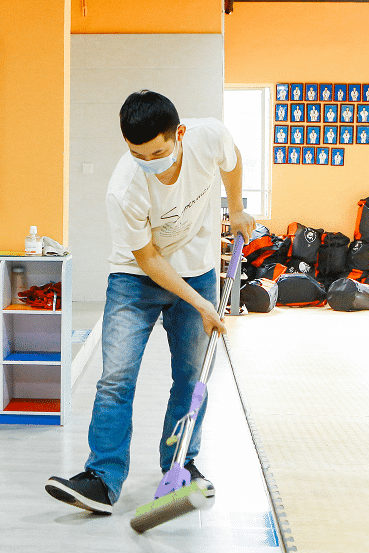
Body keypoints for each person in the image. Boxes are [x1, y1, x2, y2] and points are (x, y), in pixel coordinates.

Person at [45, 90, 255, 515]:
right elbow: (149, 259)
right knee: (116, 378)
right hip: (135, 277)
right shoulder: (124, 189)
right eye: (139, 154)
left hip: (196, 266)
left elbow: (233, 159)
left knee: (191, 378)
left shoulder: (208, 137)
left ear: (179, 134)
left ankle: (181, 464)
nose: (150, 163)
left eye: (158, 152)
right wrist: (201, 303)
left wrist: (235, 207)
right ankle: (102, 478)